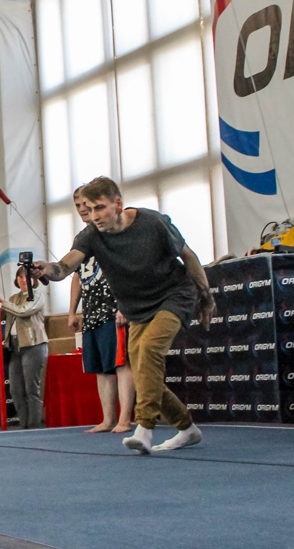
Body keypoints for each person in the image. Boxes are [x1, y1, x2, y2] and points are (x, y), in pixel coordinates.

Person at [34, 176, 213, 454]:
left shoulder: (152, 223)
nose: (94, 216)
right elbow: (66, 267)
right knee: (143, 374)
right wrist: (47, 269)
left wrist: (206, 296)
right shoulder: (91, 235)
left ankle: (144, 428)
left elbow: (188, 256)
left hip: (174, 295)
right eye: (89, 209)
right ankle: (187, 428)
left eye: (100, 208)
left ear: (118, 204)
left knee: (150, 349)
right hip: (137, 308)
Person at [68, 187, 135, 434]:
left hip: (112, 308)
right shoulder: (82, 238)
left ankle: (125, 419)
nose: (83, 210)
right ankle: (108, 418)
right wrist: (72, 311)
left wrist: (124, 304)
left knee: (121, 363)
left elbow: (128, 267)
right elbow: (76, 275)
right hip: (91, 310)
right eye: (78, 206)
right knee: (100, 368)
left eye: (87, 205)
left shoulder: (111, 231)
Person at [3, 269, 49, 430]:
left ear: (34, 280)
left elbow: (23, 311)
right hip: (15, 346)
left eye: (27, 277)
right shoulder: (13, 299)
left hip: (34, 345)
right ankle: (24, 425)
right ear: (16, 279)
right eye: (20, 276)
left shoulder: (37, 295)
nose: (24, 280)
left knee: (31, 388)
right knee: (15, 389)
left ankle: (34, 425)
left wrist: (1, 302)